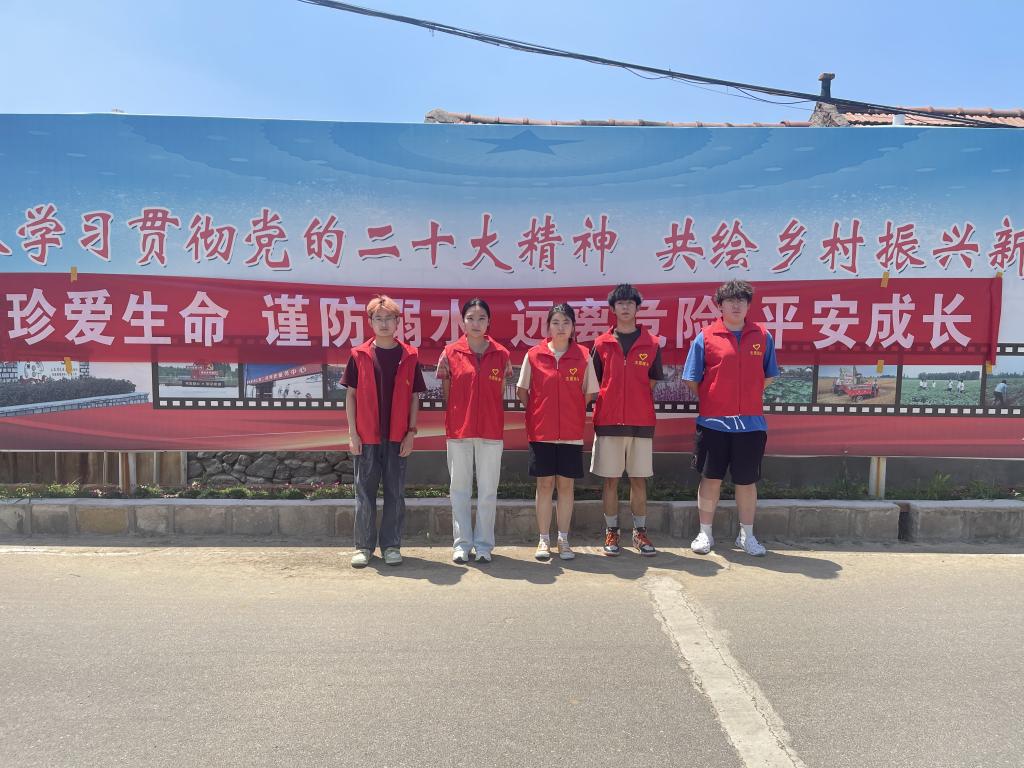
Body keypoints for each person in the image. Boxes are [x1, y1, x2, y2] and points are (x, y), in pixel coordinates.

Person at [683, 279, 779, 557]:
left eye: (741, 300)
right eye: (730, 300)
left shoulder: (762, 336)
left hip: (751, 425)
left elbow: (769, 375)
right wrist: (715, 398)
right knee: (710, 478)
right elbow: (691, 379)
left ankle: (747, 536)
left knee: (746, 482)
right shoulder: (706, 337)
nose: (736, 305)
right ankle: (705, 533)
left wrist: (746, 395)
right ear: (720, 305)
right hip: (713, 424)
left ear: (748, 306)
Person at [343, 296, 426, 568]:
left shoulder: (409, 356)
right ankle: (363, 547)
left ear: (398, 322)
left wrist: (411, 432)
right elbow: (351, 396)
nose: (384, 323)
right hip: (366, 437)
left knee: (395, 493)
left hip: (397, 437)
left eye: (389, 318)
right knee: (364, 493)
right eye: (378, 318)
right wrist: (353, 434)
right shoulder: (359, 355)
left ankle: (391, 545)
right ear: (370, 322)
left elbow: (414, 397)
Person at [517, 304, 600, 562]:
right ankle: (543, 538)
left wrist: (570, 411)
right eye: (556, 322)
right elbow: (522, 391)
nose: (561, 327)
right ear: (548, 327)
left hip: (571, 433)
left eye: (566, 322)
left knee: (566, 486)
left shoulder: (583, 356)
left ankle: (563, 539)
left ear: (573, 326)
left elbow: (589, 392)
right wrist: (540, 412)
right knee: (544, 485)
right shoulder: (534, 355)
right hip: (541, 432)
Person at [590, 284, 665, 557]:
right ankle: (611, 531)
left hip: (640, 421)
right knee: (610, 481)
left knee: (638, 480)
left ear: (637, 308)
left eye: (629, 303)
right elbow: (595, 382)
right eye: (620, 303)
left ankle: (640, 532)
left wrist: (634, 399)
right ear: (612, 308)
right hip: (608, 420)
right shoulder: (601, 343)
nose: (625, 307)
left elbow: (652, 380)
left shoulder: (652, 343)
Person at [436, 298, 512, 563]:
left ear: (489, 321)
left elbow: (499, 392)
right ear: (463, 321)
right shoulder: (450, 353)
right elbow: (447, 392)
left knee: (488, 491)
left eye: (481, 318)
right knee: (459, 489)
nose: (476, 323)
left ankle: (483, 545)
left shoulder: (501, 354)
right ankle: (461, 544)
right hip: (459, 430)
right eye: (470, 318)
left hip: (491, 430)